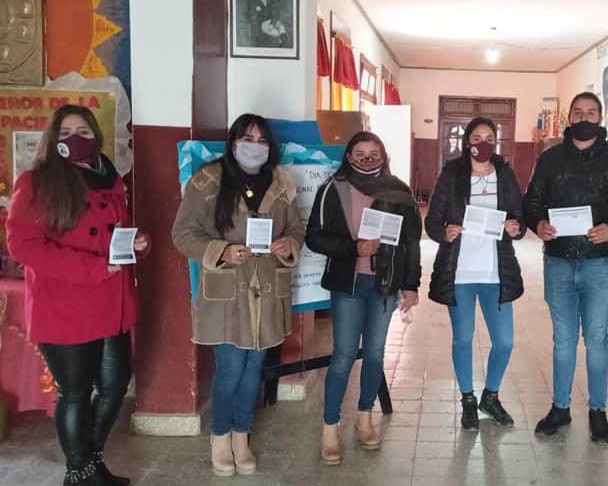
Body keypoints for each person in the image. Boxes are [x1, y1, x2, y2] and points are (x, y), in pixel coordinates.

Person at [6, 104, 150, 485]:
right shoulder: (37, 182)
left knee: (115, 384)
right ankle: (80, 471)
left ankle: (89, 461)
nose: (76, 138)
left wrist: (136, 243)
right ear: (53, 138)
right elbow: (23, 244)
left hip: (112, 304)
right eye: (66, 132)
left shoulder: (109, 177)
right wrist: (91, 268)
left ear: (96, 137)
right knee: (75, 391)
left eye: (84, 132)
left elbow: (114, 232)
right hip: (66, 306)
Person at [171, 114, 304, 477]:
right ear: (233, 142)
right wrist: (222, 251)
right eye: (247, 139)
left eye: (262, 141)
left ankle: (241, 436)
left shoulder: (282, 183)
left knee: (253, 369)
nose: (254, 147)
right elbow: (182, 233)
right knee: (230, 369)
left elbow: (297, 229)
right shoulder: (207, 181)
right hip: (227, 294)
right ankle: (220, 437)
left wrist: (288, 244)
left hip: (267, 291)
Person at [523, 92, 608, 444]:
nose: (584, 117)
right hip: (558, 261)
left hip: (598, 263)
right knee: (563, 339)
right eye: (578, 112)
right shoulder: (549, 159)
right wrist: (538, 224)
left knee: (596, 338)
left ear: (600, 118)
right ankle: (560, 407)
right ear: (569, 118)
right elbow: (531, 202)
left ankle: (598, 411)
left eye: (591, 112)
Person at [305, 131, 421, 465]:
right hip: (349, 286)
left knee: (374, 353)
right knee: (343, 356)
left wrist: (411, 285)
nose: (367, 159)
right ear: (348, 156)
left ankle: (365, 416)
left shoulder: (399, 190)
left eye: (374, 153)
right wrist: (354, 248)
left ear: (383, 155)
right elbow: (314, 237)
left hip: (385, 285)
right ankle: (330, 427)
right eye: (360, 153)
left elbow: (411, 242)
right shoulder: (333, 188)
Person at [425, 117, 526, 430]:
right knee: (463, 338)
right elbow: (432, 222)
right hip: (460, 272)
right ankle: (468, 399)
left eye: (490, 138)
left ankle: (490, 396)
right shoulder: (452, 174)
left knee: (505, 342)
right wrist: (444, 233)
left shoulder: (505, 174)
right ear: (467, 141)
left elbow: (519, 218)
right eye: (477, 137)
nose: (483, 143)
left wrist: (515, 227)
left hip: (497, 271)